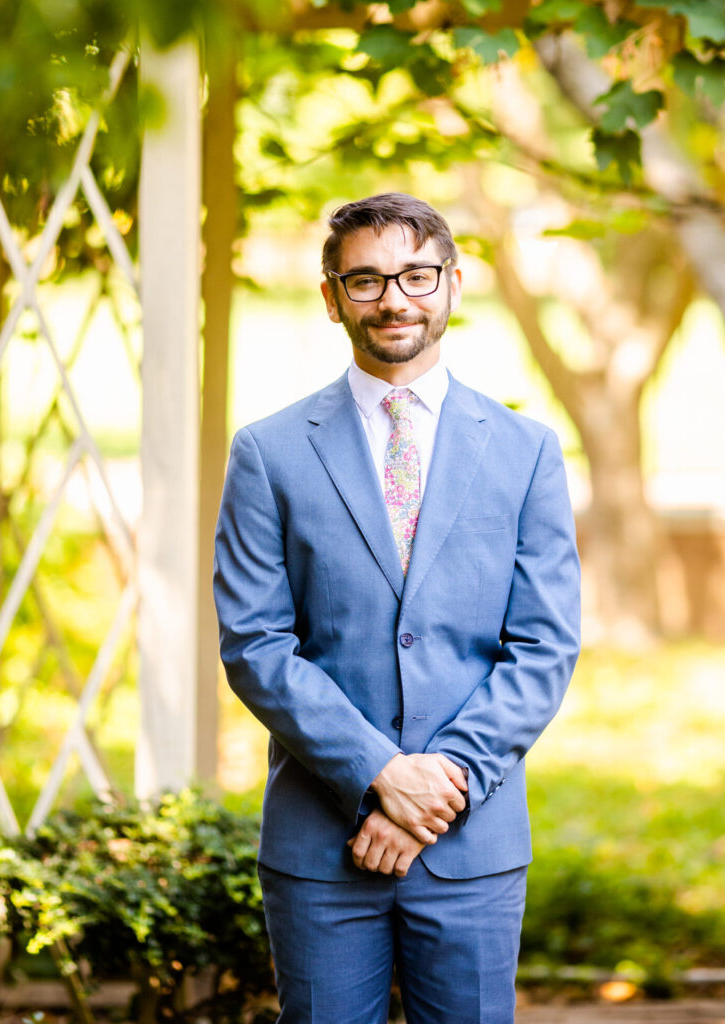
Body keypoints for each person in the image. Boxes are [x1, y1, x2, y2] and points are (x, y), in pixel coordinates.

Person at [213, 192, 580, 1024]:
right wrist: (379, 775)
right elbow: (256, 647)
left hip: (471, 845)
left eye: (416, 275)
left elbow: (544, 646)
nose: (394, 300)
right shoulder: (268, 453)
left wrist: (436, 788)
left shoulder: (526, 451)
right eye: (368, 280)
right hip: (321, 847)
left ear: (454, 282)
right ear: (332, 295)